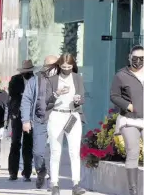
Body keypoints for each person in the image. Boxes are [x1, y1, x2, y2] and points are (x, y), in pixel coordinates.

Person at [45, 53, 86, 195]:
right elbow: (46, 101)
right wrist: (56, 94)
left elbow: (82, 99)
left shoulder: (77, 78)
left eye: (69, 66)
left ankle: (76, 184)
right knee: (56, 151)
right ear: (59, 66)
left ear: (73, 65)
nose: (67, 69)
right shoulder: (52, 80)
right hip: (56, 115)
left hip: (72, 115)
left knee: (74, 151)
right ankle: (55, 184)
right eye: (64, 67)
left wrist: (77, 99)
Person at [20, 55, 58, 189]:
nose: (52, 69)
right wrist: (25, 120)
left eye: (55, 65)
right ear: (44, 66)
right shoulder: (35, 80)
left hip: (58, 120)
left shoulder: (64, 79)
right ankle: (41, 171)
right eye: (49, 66)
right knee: (38, 152)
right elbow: (26, 100)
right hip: (40, 119)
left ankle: (53, 181)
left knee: (55, 151)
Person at [110, 45, 143, 195]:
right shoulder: (121, 75)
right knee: (133, 151)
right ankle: (133, 191)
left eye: (141, 58)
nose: (138, 61)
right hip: (130, 120)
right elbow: (114, 96)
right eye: (135, 58)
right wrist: (128, 106)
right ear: (129, 57)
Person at [8, 60, 35, 181]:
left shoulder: (35, 80)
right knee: (15, 143)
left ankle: (27, 172)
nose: (27, 73)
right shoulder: (15, 79)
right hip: (17, 115)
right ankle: (13, 172)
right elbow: (12, 94)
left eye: (29, 71)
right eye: (25, 71)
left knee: (28, 145)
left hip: (30, 116)